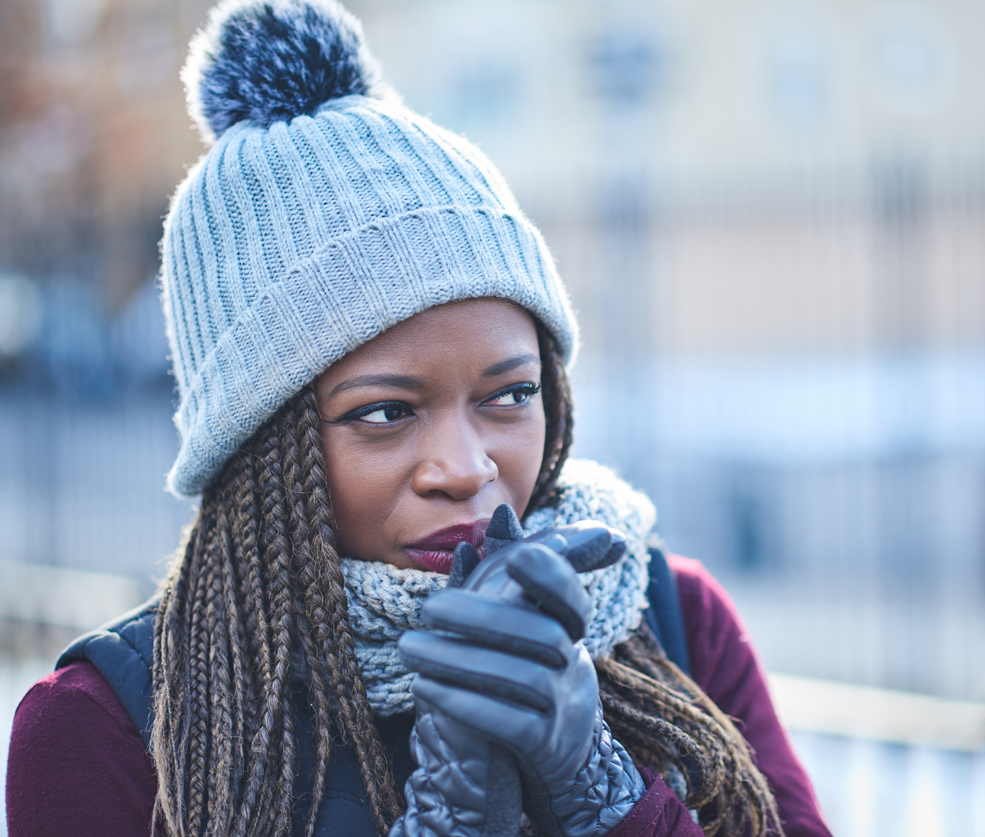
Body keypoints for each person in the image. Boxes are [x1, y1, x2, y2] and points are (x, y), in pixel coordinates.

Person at [4, 1, 832, 836]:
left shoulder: (672, 621)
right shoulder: (105, 729)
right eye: (387, 412)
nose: (465, 466)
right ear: (258, 446)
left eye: (509, 395)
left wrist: (600, 788)